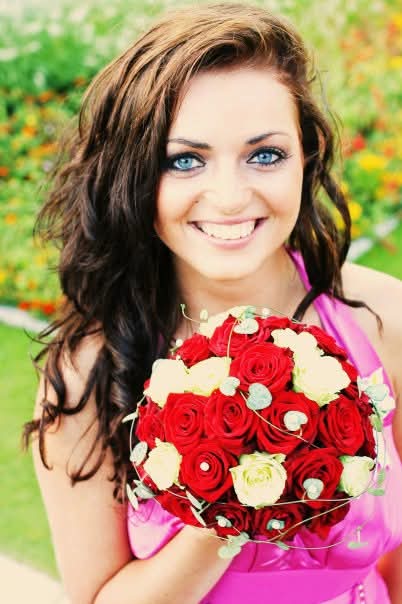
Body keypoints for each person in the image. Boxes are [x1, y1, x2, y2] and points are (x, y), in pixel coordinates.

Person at [24, 2, 402, 603]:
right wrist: (231, 494)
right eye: (185, 160)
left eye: (265, 155)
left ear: (306, 156)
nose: (228, 196)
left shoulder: (381, 318)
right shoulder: (88, 374)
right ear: (135, 176)